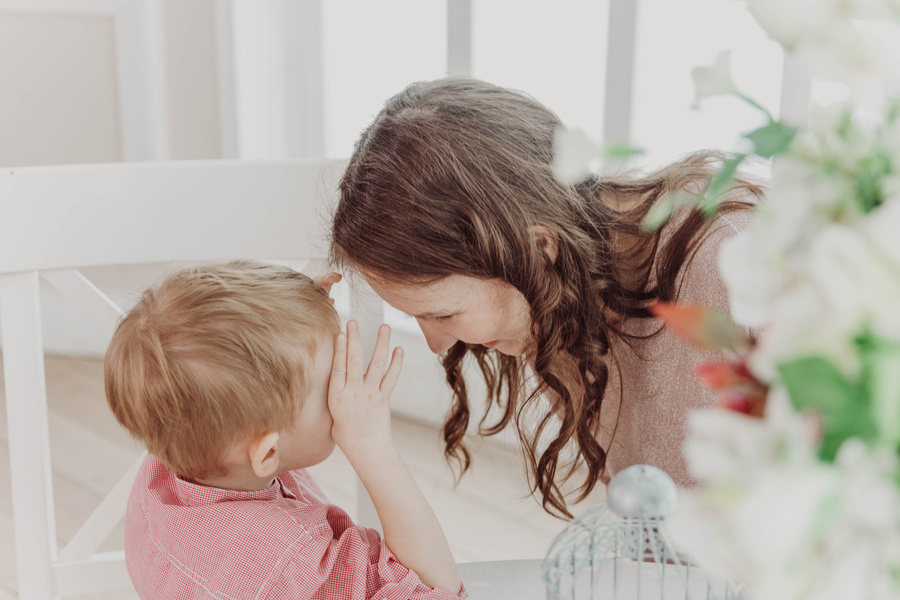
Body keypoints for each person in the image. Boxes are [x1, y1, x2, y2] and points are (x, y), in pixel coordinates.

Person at [329, 77, 763, 519]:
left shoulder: (734, 266)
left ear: (538, 248)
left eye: (443, 314)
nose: (438, 345)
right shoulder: (562, 299)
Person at [104, 260, 464, 599]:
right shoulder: (295, 568)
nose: (347, 390)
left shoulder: (177, 453)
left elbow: (218, 366)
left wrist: (295, 319)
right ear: (268, 453)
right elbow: (436, 588)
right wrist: (373, 447)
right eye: (330, 386)